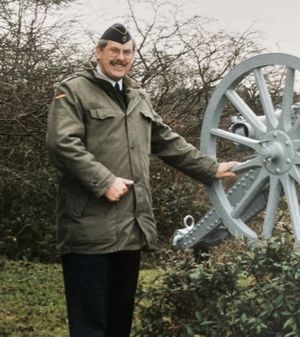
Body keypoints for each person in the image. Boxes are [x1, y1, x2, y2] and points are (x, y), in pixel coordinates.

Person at [46, 23, 238, 337]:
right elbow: (61, 144)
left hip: (131, 227)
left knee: (119, 322)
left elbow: (166, 141)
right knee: (90, 325)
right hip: (89, 229)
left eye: (127, 52)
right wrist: (104, 181)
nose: (121, 58)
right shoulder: (73, 90)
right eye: (114, 51)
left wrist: (210, 168)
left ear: (133, 55)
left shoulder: (137, 94)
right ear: (99, 52)